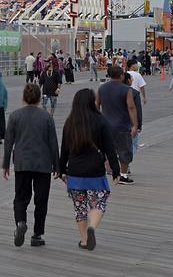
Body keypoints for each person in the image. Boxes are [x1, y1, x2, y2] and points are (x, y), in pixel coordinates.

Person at [58, 88, 121, 251]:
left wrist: (61, 170)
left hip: (75, 172)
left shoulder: (69, 122)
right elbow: (110, 148)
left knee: (79, 208)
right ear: (92, 102)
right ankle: (92, 226)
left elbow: (64, 149)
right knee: (98, 203)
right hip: (95, 171)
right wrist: (115, 169)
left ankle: (84, 240)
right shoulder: (100, 121)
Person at [2, 83, 59, 248]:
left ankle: (20, 222)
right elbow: (53, 143)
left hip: (22, 163)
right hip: (43, 163)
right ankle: (37, 235)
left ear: (23, 97)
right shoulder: (46, 117)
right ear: (40, 98)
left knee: (20, 198)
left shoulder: (14, 116)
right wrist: (57, 165)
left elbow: (8, 143)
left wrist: (5, 164)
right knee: (41, 200)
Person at [96, 66, 138, 184]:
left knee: (103, 150)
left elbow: (96, 104)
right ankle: (123, 175)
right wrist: (135, 125)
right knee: (124, 151)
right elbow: (131, 107)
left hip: (105, 125)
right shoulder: (126, 89)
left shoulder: (102, 88)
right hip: (122, 126)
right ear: (121, 76)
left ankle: (100, 171)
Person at [121, 71, 143, 166]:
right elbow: (137, 109)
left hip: (118, 122)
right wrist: (138, 124)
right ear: (129, 80)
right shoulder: (134, 93)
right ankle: (126, 165)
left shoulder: (116, 91)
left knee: (121, 145)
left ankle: (122, 163)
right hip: (131, 122)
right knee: (133, 145)